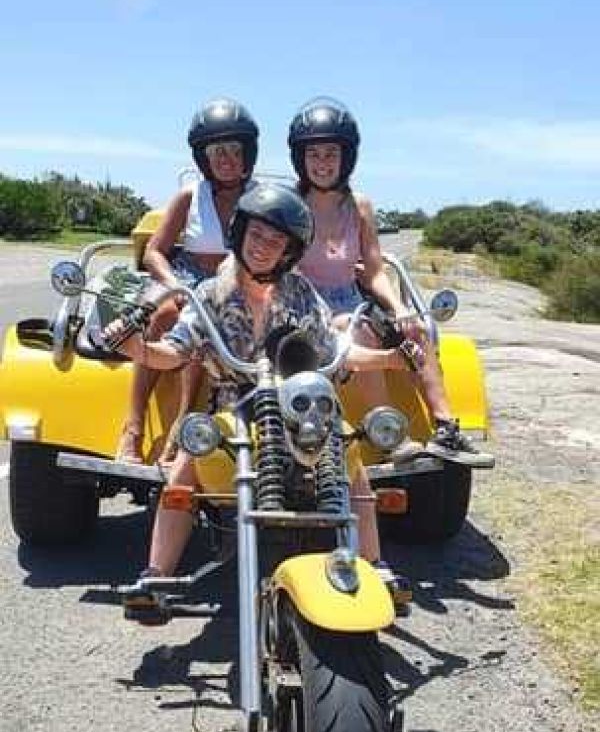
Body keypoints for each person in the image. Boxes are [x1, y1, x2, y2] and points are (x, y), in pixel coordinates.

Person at [102, 183, 411, 611]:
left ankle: (376, 566)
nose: (264, 247)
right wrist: (135, 347)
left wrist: (391, 359)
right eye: (258, 235)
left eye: (277, 240)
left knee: (347, 451)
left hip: (297, 411)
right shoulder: (209, 294)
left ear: (290, 250)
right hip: (235, 411)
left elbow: (334, 349)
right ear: (240, 233)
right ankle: (156, 578)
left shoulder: (301, 292)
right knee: (188, 465)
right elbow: (173, 350)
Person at [288, 96, 494, 466]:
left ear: (345, 157)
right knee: (357, 331)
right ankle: (389, 434)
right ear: (300, 158)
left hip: (352, 300)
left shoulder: (360, 205)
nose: (322, 163)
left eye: (330, 154)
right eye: (313, 154)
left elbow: (373, 268)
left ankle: (446, 428)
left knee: (417, 330)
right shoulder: (289, 204)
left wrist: (400, 310)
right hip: (305, 303)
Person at [115, 97, 258, 463]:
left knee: (206, 325)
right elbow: (154, 251)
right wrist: (173, 285)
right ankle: (132, 426)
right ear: (203, 157)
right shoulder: (188, 196)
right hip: (186, 275)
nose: (226, 159)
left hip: (239, 283)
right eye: (217, 151)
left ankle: (182, 430)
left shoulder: (262, 199)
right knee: (164, 314)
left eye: (234, 150)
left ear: (248, 154)